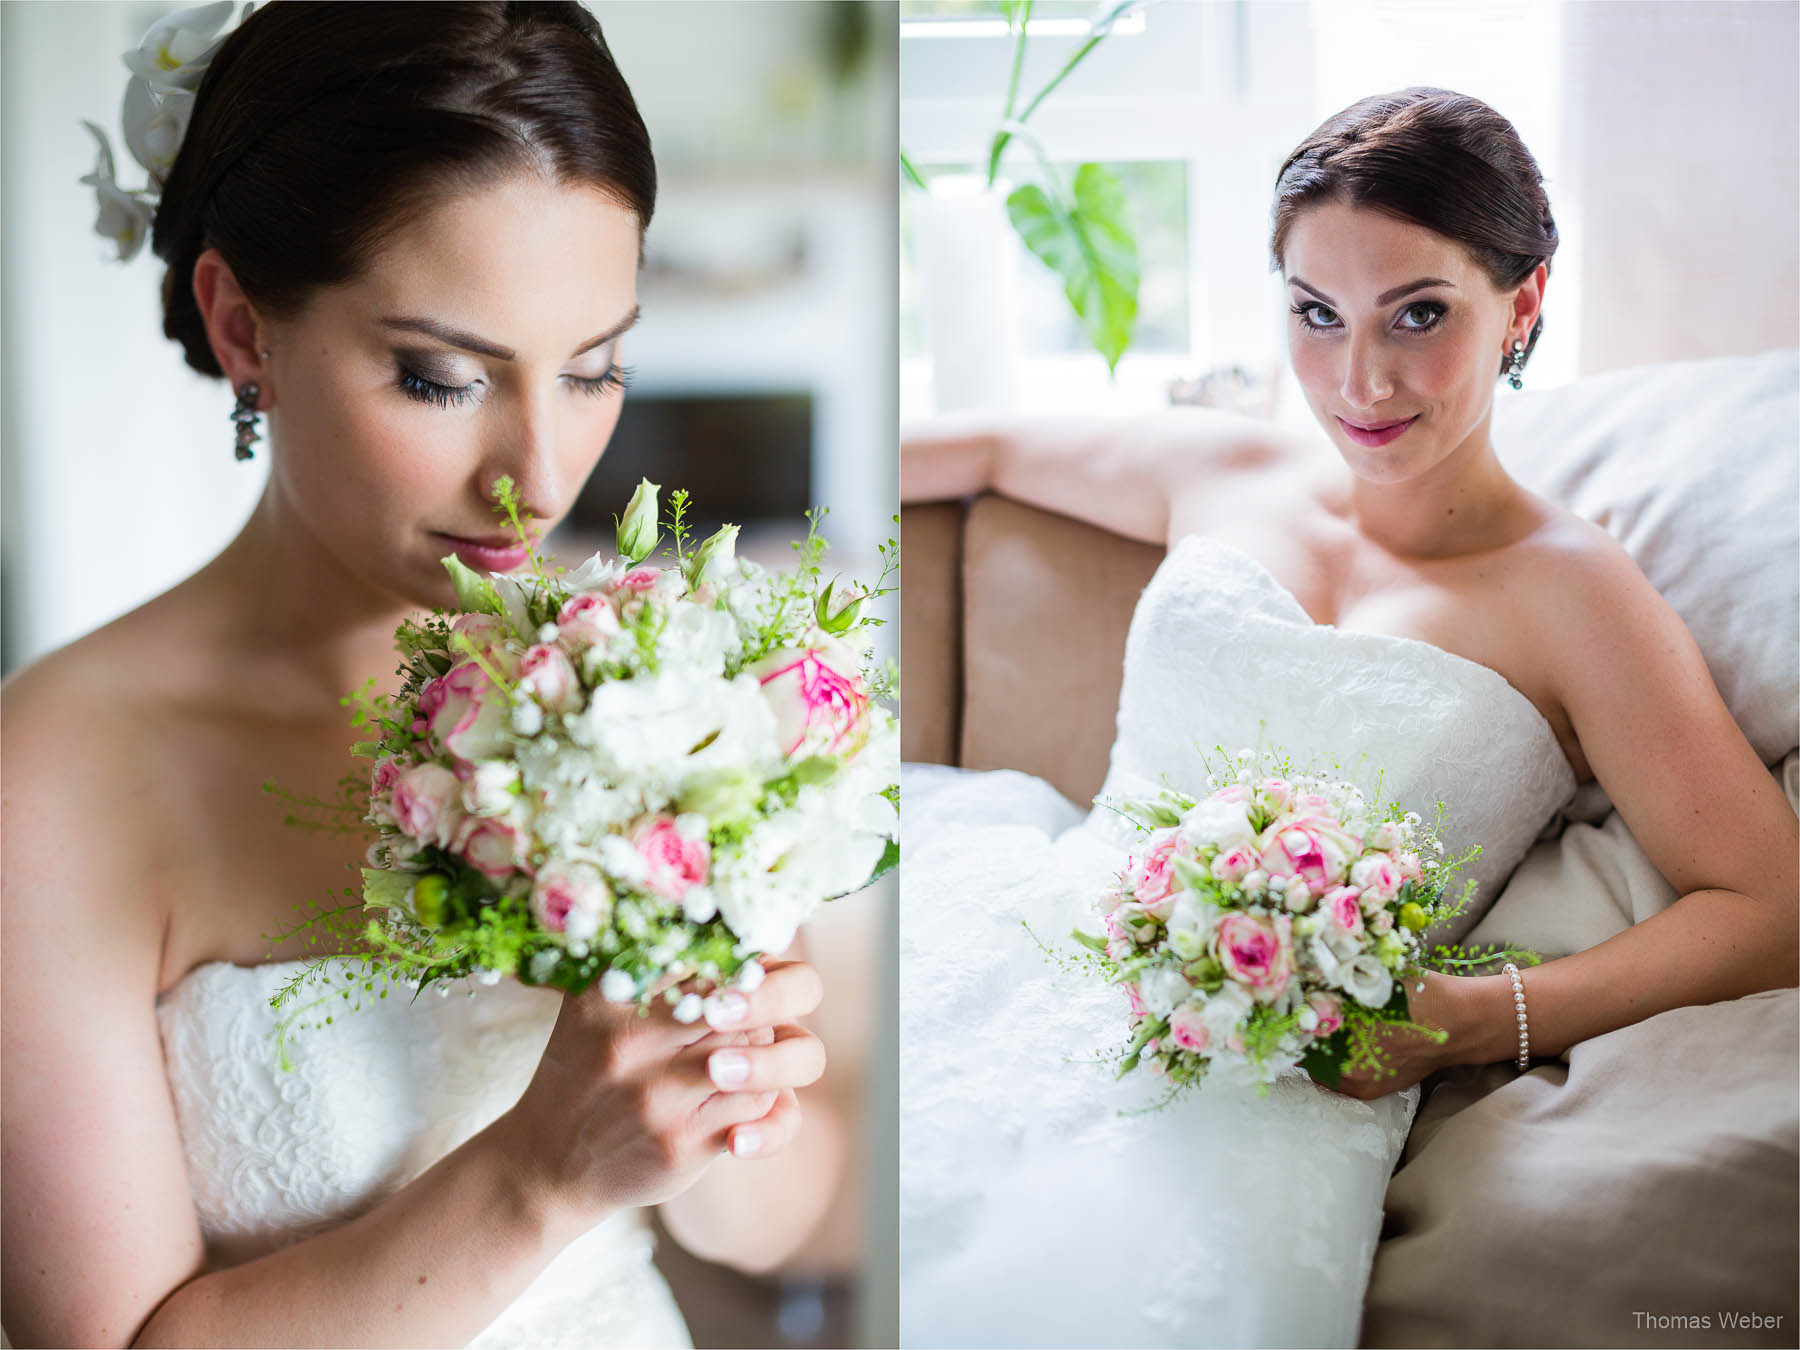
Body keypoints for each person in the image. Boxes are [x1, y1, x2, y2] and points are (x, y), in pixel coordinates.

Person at [897, 87, 1797, 1347]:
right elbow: (979, 448)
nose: (1358, 380)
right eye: (1316, 315)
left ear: (1522, 305)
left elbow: (1771, 906)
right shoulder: (1226, 466)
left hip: (1275, 1078)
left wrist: (1485, 1018)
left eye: (1417, 315)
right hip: (1029, 941)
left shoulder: (1573, 592)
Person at [1, 4, 843, 1346]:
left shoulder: (635, 694)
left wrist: (719, 1070)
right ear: (243, 326)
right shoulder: (58, 769)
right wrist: (539, 1173)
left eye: (595, 370)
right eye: (442, 377)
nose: (546, 479)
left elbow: (782, 1215)